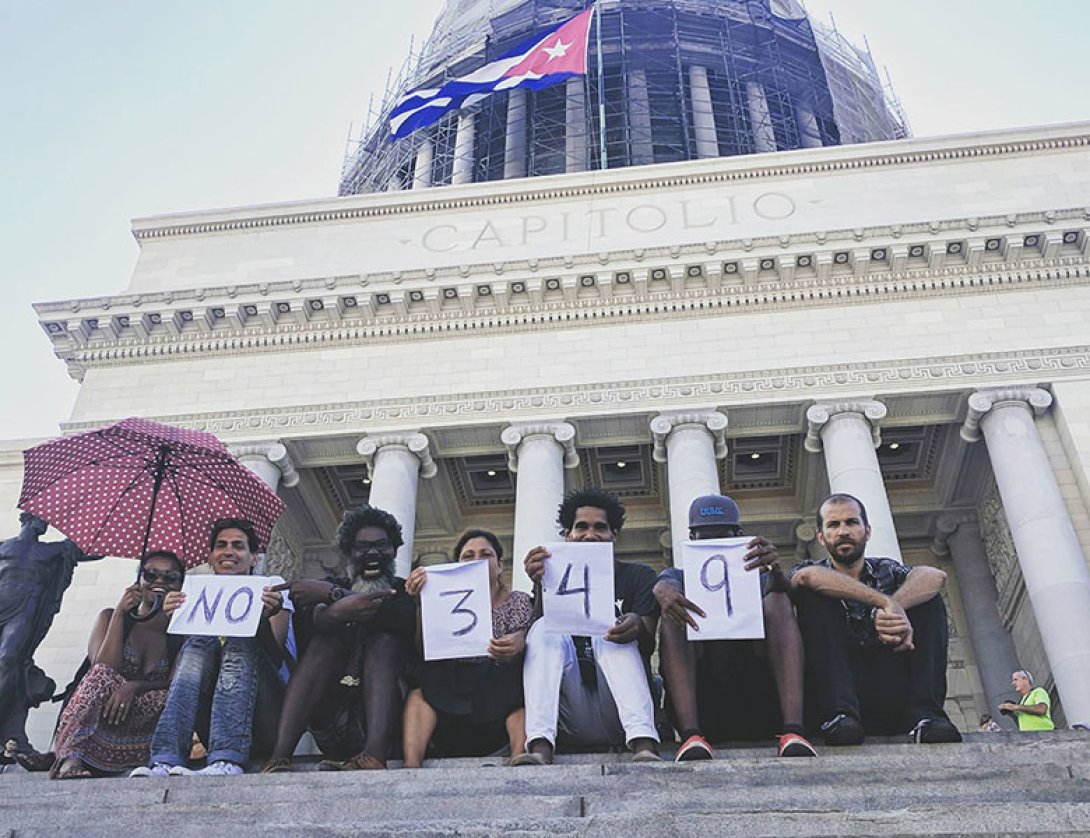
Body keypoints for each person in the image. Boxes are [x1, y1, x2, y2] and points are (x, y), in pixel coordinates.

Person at [790, 493, 961, 745]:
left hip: (888, 686)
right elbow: (808, 577)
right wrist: (882, 602)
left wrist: (894, 609)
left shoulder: (886, 569)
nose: (843, 531)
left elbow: (934, 575)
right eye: (833, 525)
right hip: (834, 695)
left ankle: (926, 716)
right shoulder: (809, 569)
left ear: (867, 531)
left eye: (851, 522)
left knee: (927, 600)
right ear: (821, 537)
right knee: (813, 598)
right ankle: (838, 714)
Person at [654, 495, 817, 760]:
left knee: (777, 600)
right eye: (704, 537)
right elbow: (665, 583)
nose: (714, 544)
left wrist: (775, 570)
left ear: (740, 536)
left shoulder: (763, 574)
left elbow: (788, 593)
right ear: (692, 539)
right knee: (673, 613)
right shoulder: (679, 576)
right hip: (707, 703)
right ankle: (690, 735)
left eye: (722, 535)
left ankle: (794, 730)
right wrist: (662, 589)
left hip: (760, 697)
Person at [260, 505, 416, 772]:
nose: (373, 553)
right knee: (324, 643)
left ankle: (373, 756)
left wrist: (334, 595)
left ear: (394, 550)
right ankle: (279, 755)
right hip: (333, 720)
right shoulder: (327, 586)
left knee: (384, 642)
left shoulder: (404, 593)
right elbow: (317, 621)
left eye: (382, 545)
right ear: (348, 552)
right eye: (363, 547)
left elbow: (395, 617)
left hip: (390, 725)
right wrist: (335, 602)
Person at [131, 519, 291, 777]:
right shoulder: (195, 594)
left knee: (240, 637)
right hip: (210, 720)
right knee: (198, 641)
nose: (228, 552)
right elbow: (183, 673)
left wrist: (261, 619)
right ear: (211, 556)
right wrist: (171, 617)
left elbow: (276, 656)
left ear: (253, 559)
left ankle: (229, 758)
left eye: (238, 546)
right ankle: (166, 758)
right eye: (221, 545)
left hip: (267, 714)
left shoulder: (270, 585)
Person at [514, 488, 660, 765]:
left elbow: (649, 636)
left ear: (614, 534)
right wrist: (538, 583)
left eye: (600, 528)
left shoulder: (639, 574)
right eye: (581, 527)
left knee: (607, 628)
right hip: (570, 714)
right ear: (567, 534)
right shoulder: (553, 574)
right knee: (544, 627)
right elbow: (539, 647)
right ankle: (540, 745)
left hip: (621, 711)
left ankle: (645, 742)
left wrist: (635, 623)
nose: (590, 534)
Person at [46, 551, 185, 778]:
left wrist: (134, 687)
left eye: (169, 578)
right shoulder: (110, 617)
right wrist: (121, 613)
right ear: (139, 580)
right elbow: (103, 668)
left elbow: (175, 682)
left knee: (171, 695)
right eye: (150, 575)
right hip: (100, 720)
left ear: (180, 585)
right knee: (101, 675)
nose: (159, 582)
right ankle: (71, 759)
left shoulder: (179, 633)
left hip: (139, 731)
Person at [402, 529, 533, 766]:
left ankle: (518, 756)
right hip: (453, 683)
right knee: (419, 692)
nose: (477, 561)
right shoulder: (441, 598)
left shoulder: (517, 600)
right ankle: (411, 766)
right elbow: (424, 649)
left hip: (498, 685)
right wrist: (422, 603)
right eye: (468, 556)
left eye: (485, 554)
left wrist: (516, 642)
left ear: (499, 565)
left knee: (519, 688)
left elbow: (521, 634)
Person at [0, 513, 99, 751]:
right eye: (39, 520)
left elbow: (90, 550)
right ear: (26, 521)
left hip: (25, 609)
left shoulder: (49, 551)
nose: (44, 525)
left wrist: (92, 521)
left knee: (8, 658)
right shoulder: (4, 546)